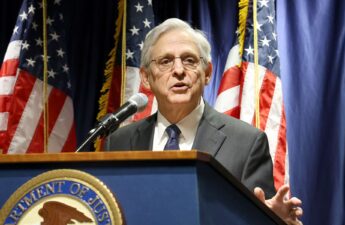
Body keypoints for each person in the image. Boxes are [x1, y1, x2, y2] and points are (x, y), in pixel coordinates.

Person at [105, 18, 303, 225]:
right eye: (165, 61)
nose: (179, 70)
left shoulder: (247, 144)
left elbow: (255, 218)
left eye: (189, 60)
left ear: (207, 73)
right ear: (146, 78)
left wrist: (271, 220)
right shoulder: (118, 142)